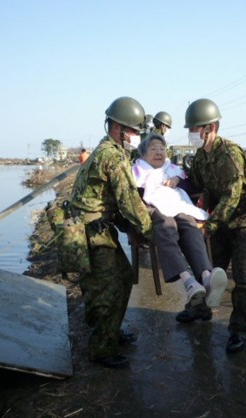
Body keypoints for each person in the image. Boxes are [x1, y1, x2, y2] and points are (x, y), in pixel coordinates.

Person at [70, 96, 153, 369]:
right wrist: (152, 232)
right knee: (109, 287)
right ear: (118, 128)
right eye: (134, 131)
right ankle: (102, 349)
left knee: (124, 277)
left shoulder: (110, 150)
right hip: (90, 233)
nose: (137, 136)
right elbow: (129, 201)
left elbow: (115, 202)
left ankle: (111, 332)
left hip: (97, 228)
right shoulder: (112, 156)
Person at [182, 98, 246, 354]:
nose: (193, 134)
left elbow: (232, 195)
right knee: (208, 270)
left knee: (244, 280)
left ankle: (239, 331)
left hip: (242, 223)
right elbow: (193, 184)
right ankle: (201, 309)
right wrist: (170, 184)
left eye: (197, 129)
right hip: (219, 222)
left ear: (212, 127)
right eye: (191, 129)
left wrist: (209, 226)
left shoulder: (229, 153)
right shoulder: (200, 157)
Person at [132, 132, 228, 310]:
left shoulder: (172, 169)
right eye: (153, 149)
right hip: (154, 209)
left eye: (162, 148)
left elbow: (190, 184)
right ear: (143, 155)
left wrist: (177, 180)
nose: (159, 152)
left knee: (190, 225)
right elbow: (134, 195)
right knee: (166, 226)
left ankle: (206, 277)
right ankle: (189, 281)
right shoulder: (138, 171)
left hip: (177, 205)